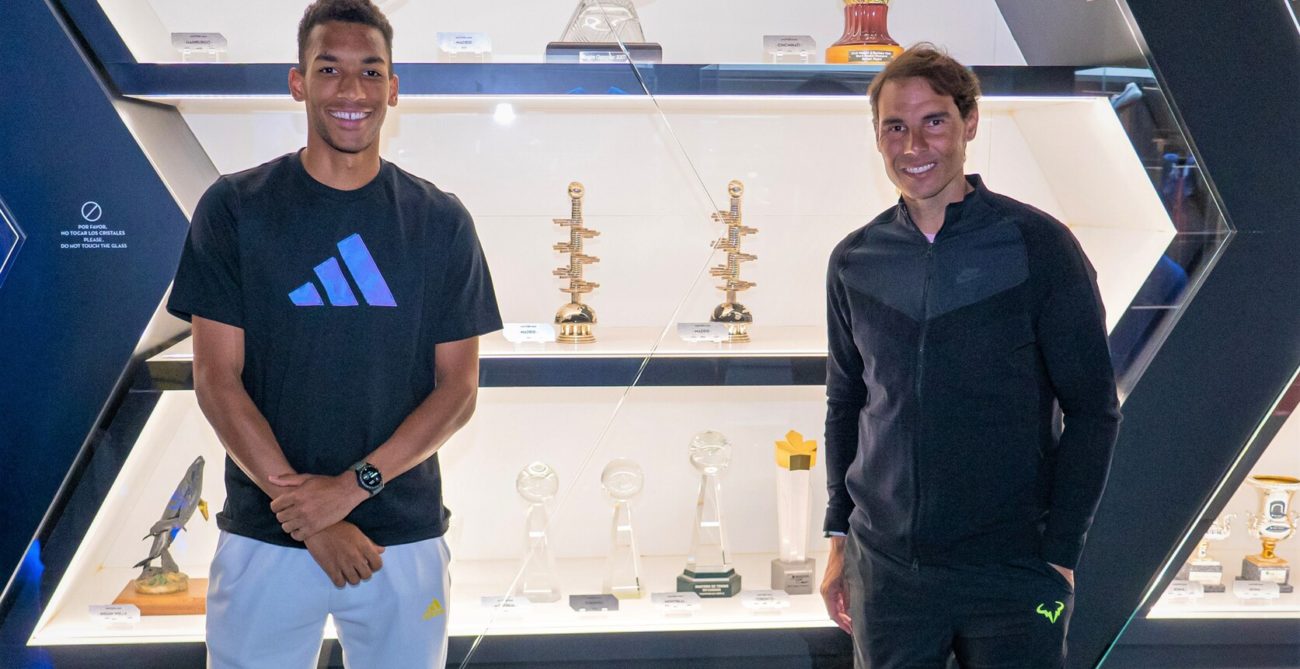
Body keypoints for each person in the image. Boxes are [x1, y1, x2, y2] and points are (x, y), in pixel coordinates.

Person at [166, 1, 501, 666]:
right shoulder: (234, 208)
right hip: (267, 536)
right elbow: (215, 379)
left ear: (393, 88)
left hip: (398, 539)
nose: (352, 91)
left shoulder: (440, 221)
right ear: (298, 82)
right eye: (330, 69)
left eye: (370, 72)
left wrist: (349, 491)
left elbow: (458, 390)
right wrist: (309, 516)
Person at [818, 44, 1121, 669]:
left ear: (969, 123)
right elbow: (847, 403)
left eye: (934, 121)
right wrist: (838, 537)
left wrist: (1060, 554)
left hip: (1012, 571)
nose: (914, 146)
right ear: (876, 138)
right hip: (888, 574)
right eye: (894, 127)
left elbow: (1094, 410)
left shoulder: (1038, 246)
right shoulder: (854, 260)